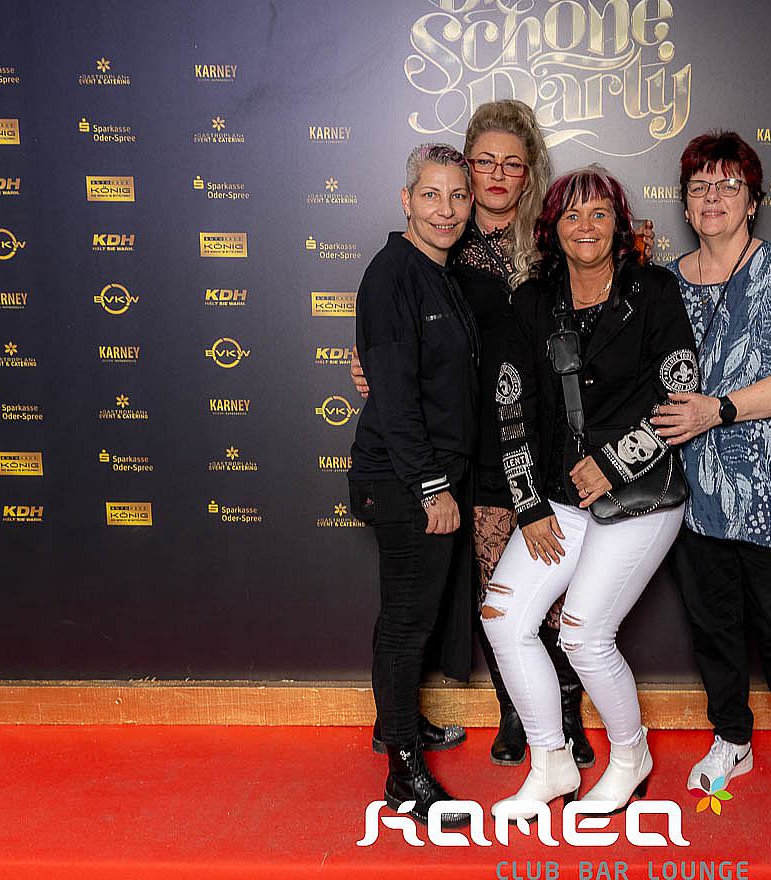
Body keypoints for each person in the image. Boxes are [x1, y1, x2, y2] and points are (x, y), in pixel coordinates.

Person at [354, 100, 596, 770]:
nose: (495, 175)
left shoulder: (553, 241)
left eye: (511, 164)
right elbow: (402, 340)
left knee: (558, 587)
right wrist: (373, 362)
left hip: (550, 437)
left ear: (529, 173)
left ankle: (565, 711)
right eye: (483, 162)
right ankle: (515, 713)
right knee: (496, 591)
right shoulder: (440, 249)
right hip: (476, 446)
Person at [481, 166, 698, 817]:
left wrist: (612, 463)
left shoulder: (654, 291)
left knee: (581, 633)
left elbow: (679, 393)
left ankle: (631, 757)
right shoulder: (531, 302)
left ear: (618, 225)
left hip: (640, 497)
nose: (586, 227)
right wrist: (528, 506)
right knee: (504, 618)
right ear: (553, 228)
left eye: (599, 214)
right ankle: (551, 762)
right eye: (572, 215)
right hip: (557, 499)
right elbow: (511, 409)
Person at [652, 130, 771, 817]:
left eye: (728, 185)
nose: (713, 198)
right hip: (692, 495)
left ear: (753, 200)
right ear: (684, 202)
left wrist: (720, 410)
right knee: (714, 628)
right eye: (700, 186)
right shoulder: (664, 283)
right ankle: (732, 738)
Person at [347, 143, 479, 828]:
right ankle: (403, 773)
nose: (445, 210)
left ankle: (393, 725)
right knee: (406, 625)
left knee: (404, 616)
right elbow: (396, 398)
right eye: (431, 195)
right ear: (406, 200)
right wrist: (433, 487)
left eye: (458, 196)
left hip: (421, 474)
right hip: (404, 481)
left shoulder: (437, 271)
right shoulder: (391, 274)